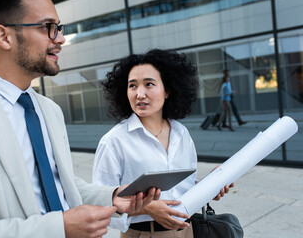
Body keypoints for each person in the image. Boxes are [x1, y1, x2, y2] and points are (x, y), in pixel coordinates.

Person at [0, 0, 160, 237]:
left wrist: (111, 197)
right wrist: (59, 228)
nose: (60, 38)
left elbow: (61, 185)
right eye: (48, 27)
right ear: (4, 37)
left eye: (59, 27)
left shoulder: (50, 110)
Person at [92, 49, 233, 238]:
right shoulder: (114, 141)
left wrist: (209, 187)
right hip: (145, 234)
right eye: (132, 86)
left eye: (149, 84)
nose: (139, 94)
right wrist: (147, 209)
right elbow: (100, 205)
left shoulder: (181, 133)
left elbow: (183, 188)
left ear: (167, 90)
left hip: (187, 231)